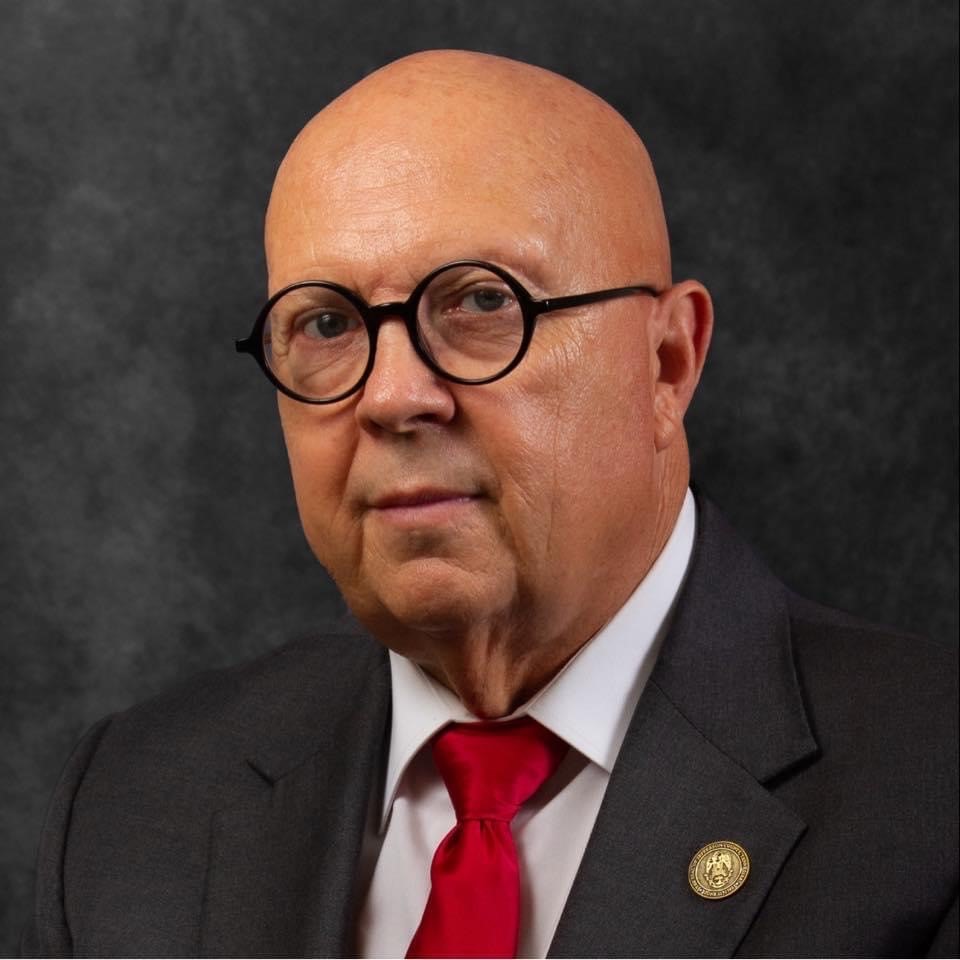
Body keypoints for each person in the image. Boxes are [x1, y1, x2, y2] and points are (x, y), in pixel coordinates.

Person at [23, 50, 957, 958]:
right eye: (327, 324)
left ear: (666, 363)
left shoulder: (929, 794)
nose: (391, 397)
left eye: (478, 301)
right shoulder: (126, 813)